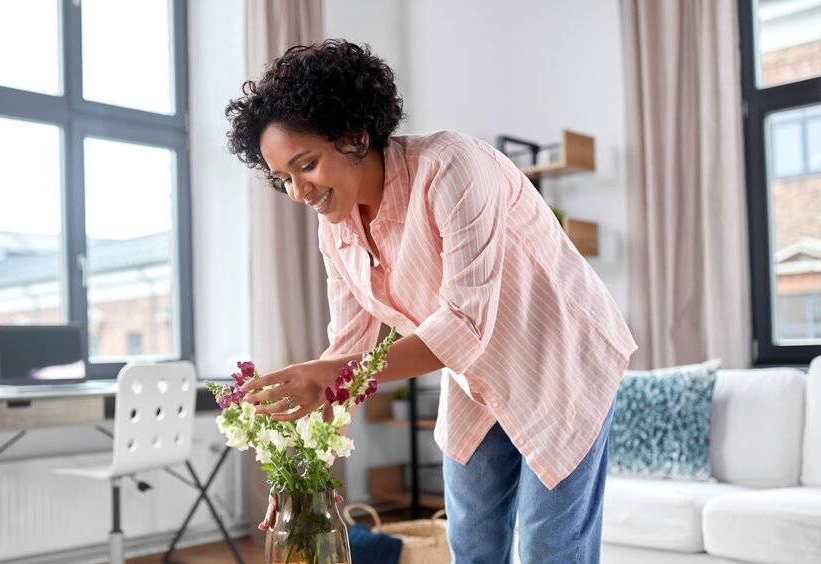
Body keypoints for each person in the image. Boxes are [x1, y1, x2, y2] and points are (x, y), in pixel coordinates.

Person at [226, 39, 636, 563]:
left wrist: (329, 377)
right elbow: (346, 350)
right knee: (470, 544)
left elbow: (461, 326)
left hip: (561, 361)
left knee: (549, 549)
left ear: (354, 135)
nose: (298, 192)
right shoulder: (337, 231)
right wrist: (305, 482)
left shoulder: (450, 167)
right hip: (476, 381)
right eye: (283, 179)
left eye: (306, 165)